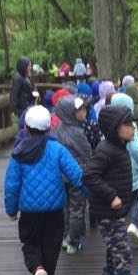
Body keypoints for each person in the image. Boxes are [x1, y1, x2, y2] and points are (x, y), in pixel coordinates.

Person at [3, 105, 85, 275]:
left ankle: (37, 269)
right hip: (54, 209)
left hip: (29, 211)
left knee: (30, 242)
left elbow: (12, 184)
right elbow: (76, 175)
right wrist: (90, 193)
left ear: (26, 128)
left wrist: (11, 209)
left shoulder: (19, 152)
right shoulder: (58, 149)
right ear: (49, 127)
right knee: (52, 243)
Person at [82, 104, 135, 275]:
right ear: (114, 128)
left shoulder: (118, 148)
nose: (133, 127)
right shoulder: (106, 150)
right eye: (128, 124)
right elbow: (89, 175)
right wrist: (112, 196)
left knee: (114, 254)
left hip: (115, 213)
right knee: (123, 256)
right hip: (107, 213)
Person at [51, 94, 92, 254]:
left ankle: (65, 236)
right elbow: (87, 154)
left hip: (61, 176)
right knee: (77, 208)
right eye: (80, 110)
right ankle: (73, 241)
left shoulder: (56, 131)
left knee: (66, 208)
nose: (84, 112)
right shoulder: (77, 132)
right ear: (70, 113)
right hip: (76, 175)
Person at [111, 92, 138, 247]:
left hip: (118, 170)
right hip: (134, 169)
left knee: (123, 199)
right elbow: (136, 149)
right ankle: (133, 224)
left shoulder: (110, 124)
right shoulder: (130, 125)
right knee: (137, 199)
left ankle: (119, 229)